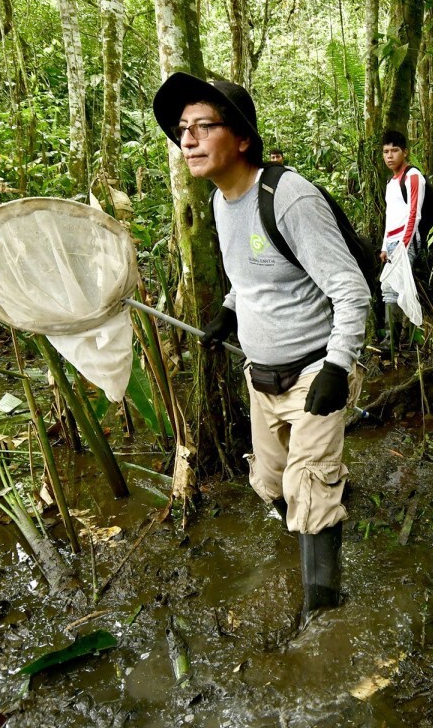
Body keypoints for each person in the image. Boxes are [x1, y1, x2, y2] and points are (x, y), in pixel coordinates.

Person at [153, 73, 369, 625]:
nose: (189, 140)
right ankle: (316, 518)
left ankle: (322, 622)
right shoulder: (222, 202)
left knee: (310, 493)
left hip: (314, 371)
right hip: (260, 377)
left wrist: (337, 369)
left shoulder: (288, 197)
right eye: (182, 129)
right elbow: (253, 278)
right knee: (271, 484)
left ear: (242, 137)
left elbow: (350, 289)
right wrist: (230, 311)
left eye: (204, 126)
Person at [379, 129, 426, 356]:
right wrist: (383, 247)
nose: (390, 156)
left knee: (396, 290)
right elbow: (390, 217)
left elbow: (413, 214)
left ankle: (394, 342)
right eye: (386, 151)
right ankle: (395, 340)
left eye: (394, 150)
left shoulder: (413, 176)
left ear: (405, 152)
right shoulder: (391, 182)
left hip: (405, 241)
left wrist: (402, 246)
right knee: (390, 289)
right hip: (392, 242)